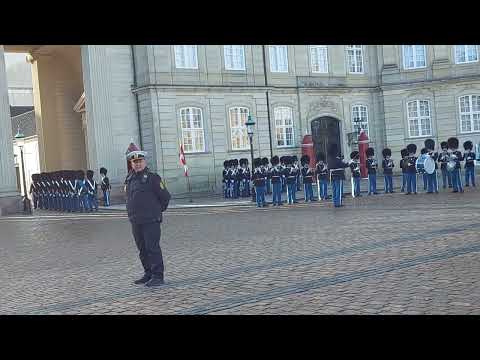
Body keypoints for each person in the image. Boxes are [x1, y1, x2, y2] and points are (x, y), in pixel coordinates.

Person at [125, 142, 171, 287]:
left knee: (152, 248)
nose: (137, 164)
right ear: (131, 164)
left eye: (139, 161)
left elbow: (165, 197)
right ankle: (148, 273)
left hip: (151, 220)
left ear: (144, 162)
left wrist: (156, 211)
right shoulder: (130, 179)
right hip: (136, 220)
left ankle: (158, 276)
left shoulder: (152, 178)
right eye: (134, 162)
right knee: (142, 250)